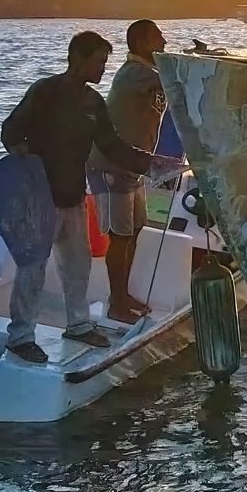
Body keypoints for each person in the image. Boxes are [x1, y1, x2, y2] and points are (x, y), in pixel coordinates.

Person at [1, 30, 157, 365]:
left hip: (73, 197)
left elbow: (112, 145)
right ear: (79, 59)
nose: (103, 68)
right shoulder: (45, 91)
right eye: (99, 61)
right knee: (32, 269)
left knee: (78, 266)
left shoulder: (93, 102)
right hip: (40, 201)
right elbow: (10, 131)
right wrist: (26, 165)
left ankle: (78, 325)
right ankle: (21, 338)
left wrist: (151, 163)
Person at [88, 19, 169, 325]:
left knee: (134, 231)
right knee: (120, 238)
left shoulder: (149, 74)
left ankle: (122, 296)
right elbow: (175, 80)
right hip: (110, 166)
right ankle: (116, 303)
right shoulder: (135, 73)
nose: (164, 42)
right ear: (142, 42)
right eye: (158, 37)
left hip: (133, 167)